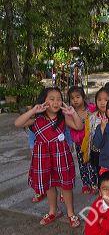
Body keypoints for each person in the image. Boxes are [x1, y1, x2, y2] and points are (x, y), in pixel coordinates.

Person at [14, 87, 83, 227]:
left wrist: (73, 113)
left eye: (59, 99)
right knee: (49, 185)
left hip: (61, 156)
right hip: (43, 157)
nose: (56, 102)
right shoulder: (36, 119)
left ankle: (71, 213)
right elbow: (17, 123)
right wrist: (33, 110)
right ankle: (53, 211)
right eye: (51, 99)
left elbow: (79, 126)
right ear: (44, 101)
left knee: (65, 186)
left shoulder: (63, 118)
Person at [68, 86, 97, 195]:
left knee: (93, 163)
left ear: (83, 97)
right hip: (79, 143)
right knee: (82, 163)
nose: (75, 100)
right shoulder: (70, 112)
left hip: (92, 142)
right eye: (72, 98)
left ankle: (94, 183)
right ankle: (86, 184)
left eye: (77, 97)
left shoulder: (92, 109)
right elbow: (71, 128)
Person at [88, 87, 109, 188]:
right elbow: (90, 134)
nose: (102, 102)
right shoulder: (92, 117)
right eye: (99, 100)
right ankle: (102, 191)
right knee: (100, 174)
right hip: (97, 152)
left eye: (106, 100)